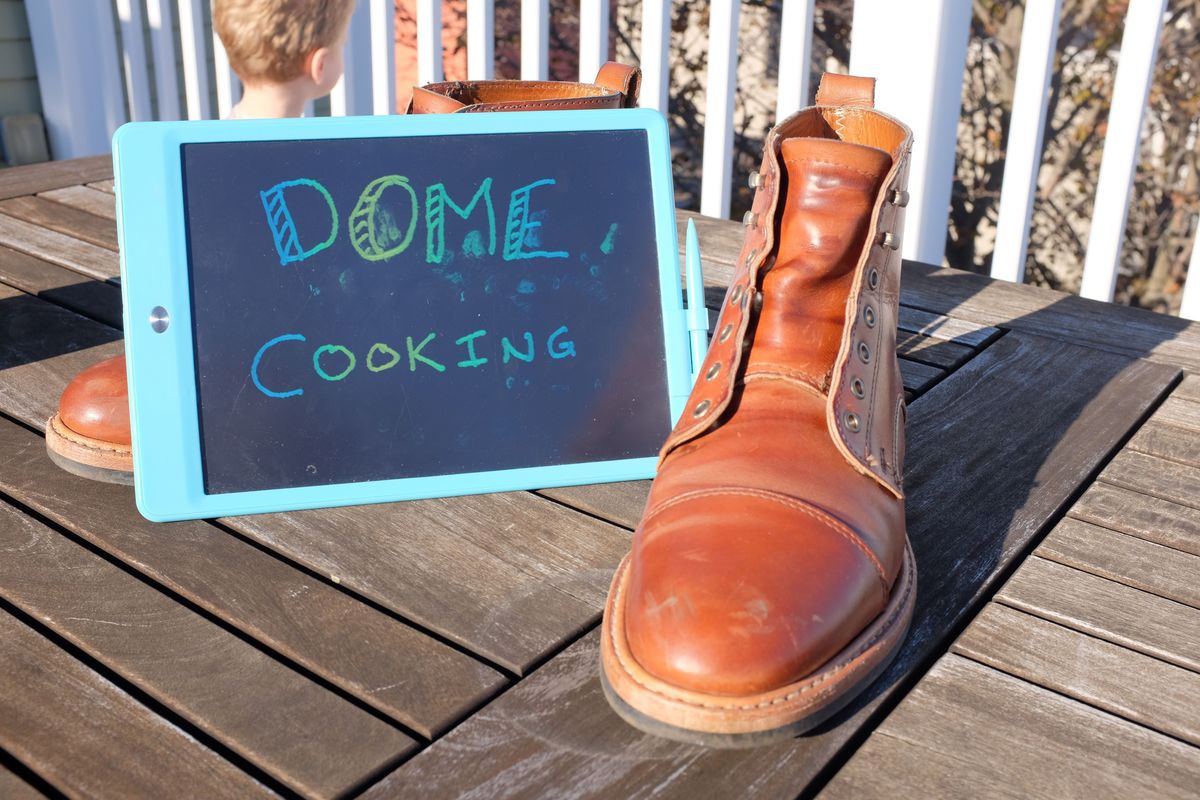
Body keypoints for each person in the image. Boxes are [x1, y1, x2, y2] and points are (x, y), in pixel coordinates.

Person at [46, 0, 356, 484]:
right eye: (343, 43)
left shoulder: (199, 161)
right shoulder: (319, 166)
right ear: (321, 64)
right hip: (281, 354)